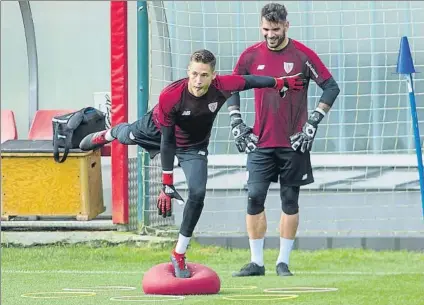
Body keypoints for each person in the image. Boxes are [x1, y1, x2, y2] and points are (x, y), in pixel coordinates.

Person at [79, 49, 296, 278]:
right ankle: (110, 132)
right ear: (187, 72)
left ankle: (179, 252)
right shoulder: (171, 95)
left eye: (204, 75)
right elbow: (168, 141)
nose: (198, 81)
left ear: (213, 76)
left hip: (194, 146)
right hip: (158, 132)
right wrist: (167, 183)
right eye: (194, 74)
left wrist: (279, 82)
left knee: (198, 192)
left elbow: (251, 81)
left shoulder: (223, 85)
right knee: (127, 136)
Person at [229, 3, 340, 277]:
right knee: (254, 197)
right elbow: (231, 87)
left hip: (294, 143)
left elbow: (331, 86)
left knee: (290, 201)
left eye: (275, 29)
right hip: (260, 142)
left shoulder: (302, 55)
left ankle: (283, 262)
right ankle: (256, 262)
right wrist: (236, 122)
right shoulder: (249, 56)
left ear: (286, 26)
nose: (270, 34)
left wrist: (313, 122)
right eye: (266, 29)